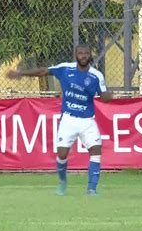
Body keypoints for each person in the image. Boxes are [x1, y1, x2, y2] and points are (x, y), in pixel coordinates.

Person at [7, 44, 112, 196]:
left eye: (86, 53)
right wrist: (21, 73)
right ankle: (63, 182)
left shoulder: (96, 75)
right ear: (76, 55)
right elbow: (43, 71)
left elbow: (103, 96)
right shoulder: (66, 69)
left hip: (87, 120)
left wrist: (108, 96)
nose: (83, 56)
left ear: (90, 55)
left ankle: (91, 189)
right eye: (80, 53)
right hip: (69, 119)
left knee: (96, 150)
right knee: (62, 154)